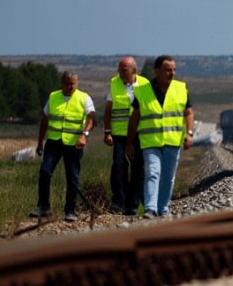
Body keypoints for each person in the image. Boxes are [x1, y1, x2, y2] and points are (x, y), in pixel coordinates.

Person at [126, 55, 193, 219]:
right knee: (152, 172)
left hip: (173, 141)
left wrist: (189, 134)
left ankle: (163, 208)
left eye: (174, 70)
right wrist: (129, 142)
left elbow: (188, 112)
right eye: (168, 70)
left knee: (168, 178)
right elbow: (135, 117)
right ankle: (150, 208)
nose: (172, 73)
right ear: (157, 71)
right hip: (151, 142)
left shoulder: (180, 89)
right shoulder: (143, 91)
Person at [30, 71, 96, 223]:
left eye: (73, 83)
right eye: (67, 83)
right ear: (62, 83)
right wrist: (40, 142)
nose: (70, 87)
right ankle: (43, 207)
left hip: (74, 144)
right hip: (54, 142)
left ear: (77, 83)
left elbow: (91, 118)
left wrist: (84, 135)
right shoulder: (53, 97)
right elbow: (45, 120)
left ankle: (70, 210)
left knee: (72, 177)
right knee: (45, 172)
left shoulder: (84, 98)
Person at [102, 56, 149, 215]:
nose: (121, 74)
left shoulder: (145, 84)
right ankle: (118, 201)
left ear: (134, 71)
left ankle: (132, 204)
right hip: (119, 134)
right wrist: (107, 132)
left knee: (137, 169)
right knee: (119, 165)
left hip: (138, 133)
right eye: (120, 70)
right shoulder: (114, 84)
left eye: (125, 71)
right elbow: (108, 111)